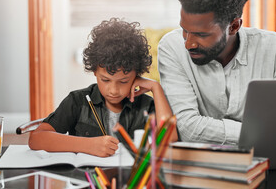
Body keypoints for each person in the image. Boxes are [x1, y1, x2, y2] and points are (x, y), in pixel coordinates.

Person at [158, 0, 276, 145]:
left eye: (201, 35)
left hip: (266, 162)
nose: (189, 44)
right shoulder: (172, 48)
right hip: (201, 165)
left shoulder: (272, 48)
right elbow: (189, 129)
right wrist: (263, 133)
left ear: (234, 26)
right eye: (184, 30)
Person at [29, 18, 177, 157]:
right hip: (86, 179)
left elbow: (170, 142)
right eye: (105, 80)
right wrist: (88, 145)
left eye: (123, 81)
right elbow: (36, 139)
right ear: (94, 71)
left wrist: (156, 88)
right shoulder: (78, 101)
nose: (113, 90)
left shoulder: (145, 105)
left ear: (136, 76)